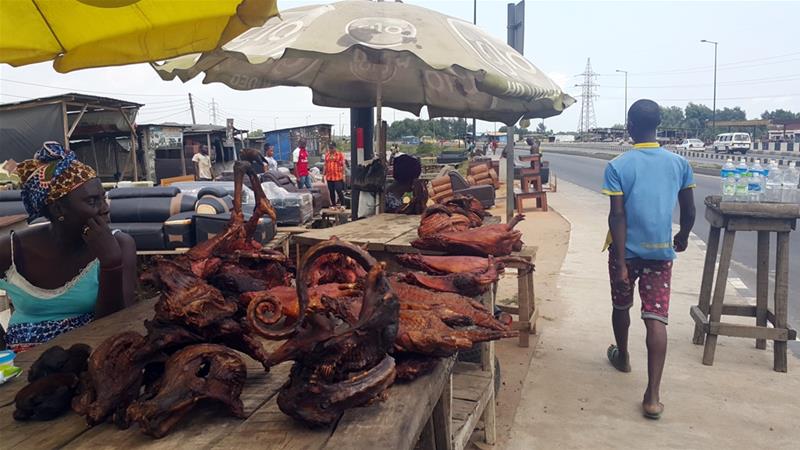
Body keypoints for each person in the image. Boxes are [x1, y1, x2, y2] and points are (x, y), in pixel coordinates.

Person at [601, 100, 695, 420]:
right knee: (656, 318)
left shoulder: (618, 166)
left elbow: (617, 216)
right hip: (660, 253)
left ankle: (623, 356)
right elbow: (689, 210)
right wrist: (682, 237)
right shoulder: (680, 164)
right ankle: (652, 397)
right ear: (659, 124)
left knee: (621, 306)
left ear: (629, 126)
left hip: (624, 251)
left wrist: (624, 266)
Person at [0, 142, 137, 352]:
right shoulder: (11, 250)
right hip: (22, 366)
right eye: (92, 201)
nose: (105, 209)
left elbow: (117, 326)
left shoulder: (120, 245)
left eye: (103, 198)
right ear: (58, 209)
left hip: (90, 354)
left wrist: (111, 264)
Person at [323, 141, 346, 207]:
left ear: (335, 148)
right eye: (330, 148)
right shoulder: (327, 155)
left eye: (332, 148)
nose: (331, 149)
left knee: (338, 189)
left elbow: (343, 165)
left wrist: (343, 174)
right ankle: (333, 205)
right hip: (329, 176)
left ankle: (343, 204)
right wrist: (323, 175)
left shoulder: (340, 155)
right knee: (331, 191)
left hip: (337, 176)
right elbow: (325, 165)